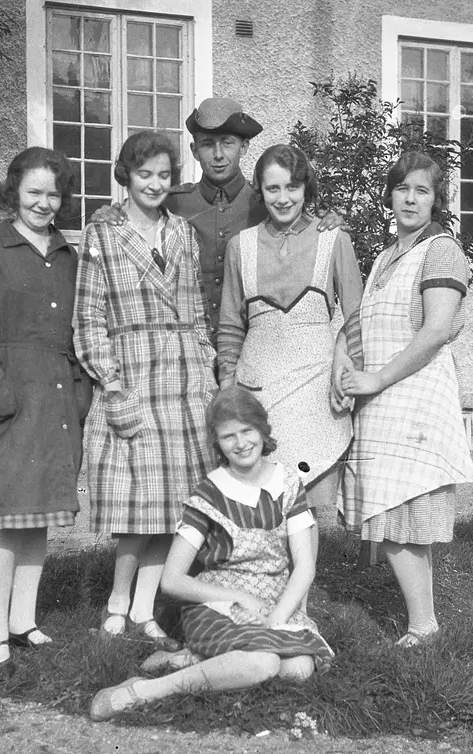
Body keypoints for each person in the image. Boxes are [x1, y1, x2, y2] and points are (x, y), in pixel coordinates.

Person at [89, 386, 332, 721]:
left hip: (274, 603)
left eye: (247, 430)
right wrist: (237, 598)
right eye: (228, 436)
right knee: (263, 662)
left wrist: (278, 617)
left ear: (263, 430)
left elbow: (304, 567)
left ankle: (189, 660)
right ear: (216, 442)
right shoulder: (209, 493)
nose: (241, 443)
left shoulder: (287, 484)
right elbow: (172, 580)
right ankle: (145, 691)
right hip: (218, 605)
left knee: (299, 669)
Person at [73, 130, 217, 652]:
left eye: (163, 175)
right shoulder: (102, 233)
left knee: (173, 505)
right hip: (133, 375)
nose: (154, 184)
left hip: (185, 381)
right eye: (144, 174)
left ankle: (144, 609)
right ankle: (117, 602)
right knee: (137, 503)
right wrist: (111, 384)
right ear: (126, 176)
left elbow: (196, 312)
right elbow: (88, 319)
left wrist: (207, 368)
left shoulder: (182, 231)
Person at [0, 147, 91, 681]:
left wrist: (80, 391)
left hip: (55, 396)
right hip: (6, 392)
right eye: (34, 191)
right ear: (14, 192)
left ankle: (23, 621)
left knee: (39, 514)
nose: (43, 202)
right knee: (5, 518)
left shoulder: (69, 256)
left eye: (53, 194)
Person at [339, 151, 473, 648]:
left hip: (415, 397)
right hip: (384, 398)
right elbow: (363, 324)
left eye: (422, 190)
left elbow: (436, 330)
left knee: (404, 511)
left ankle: (424, 624)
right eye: (402, 189)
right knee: (393, 512)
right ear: (390, 195)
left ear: (436, 199)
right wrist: (348, 368)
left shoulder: (441, 250)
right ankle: (424, 621)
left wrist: (377, 379)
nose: (411, 199)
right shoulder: (385, 256)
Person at [90, 98, 344, 344]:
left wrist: (329, 223)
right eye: (208, 144)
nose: (218, 154)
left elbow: (306, 233)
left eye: (228, 143)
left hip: (250, 346)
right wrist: (113, 213)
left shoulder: (268, 204)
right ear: (194, 150)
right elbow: (135, 216)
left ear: (244, 147)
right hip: (187, 347)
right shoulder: (173, 204)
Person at [216, 143, 362, 516]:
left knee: (308, 515)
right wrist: (229, 393)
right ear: (260, 191)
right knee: (261, 511)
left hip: (317, 396)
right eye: (273, 188)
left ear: (305, 187)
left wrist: (348, 373)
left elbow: (358, 318)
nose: (283, 199)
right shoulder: (240, 247)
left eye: (292, 187)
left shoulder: (334, 239)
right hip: (259, 394)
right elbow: (230, 328)